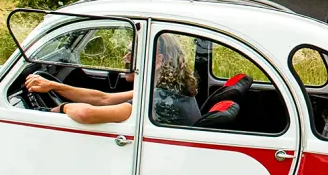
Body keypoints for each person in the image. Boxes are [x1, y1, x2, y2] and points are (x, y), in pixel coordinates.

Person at [24, 35, 200, 126]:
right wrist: (54, 86)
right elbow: (103, 98)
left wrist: (61, 108)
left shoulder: (159, 100)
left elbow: (87, 114)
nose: (125, 58)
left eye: (132, 54)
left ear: (158, 61)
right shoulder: (168, 89)